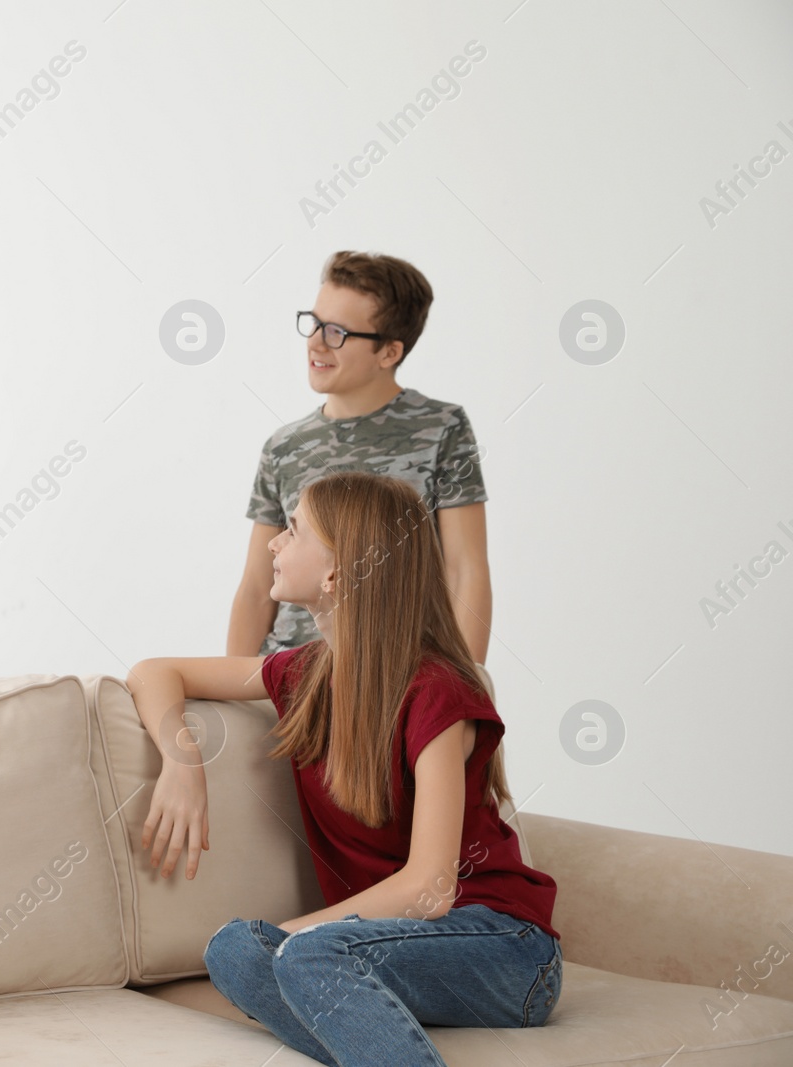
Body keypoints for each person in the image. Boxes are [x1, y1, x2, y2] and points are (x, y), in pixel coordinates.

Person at [128, 471, 559, 1065]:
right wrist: (182, 762)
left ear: (337, 571)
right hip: (374, 951)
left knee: (302, 954)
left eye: (296, 529)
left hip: (504, 950)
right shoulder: (304, 674)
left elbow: (430, 889)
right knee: (232, 950)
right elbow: (155, 671)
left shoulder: (439, 693)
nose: (275, 542)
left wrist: (298, 937)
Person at [228, 252, 491, 663]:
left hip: (395, 675)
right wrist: (235, 694)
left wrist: (465, 690)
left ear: (388, 353)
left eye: (337, 332)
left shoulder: (443, 428)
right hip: (288, 679)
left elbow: (465, 569)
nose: (315, 341)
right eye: (314, 323)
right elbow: (256, 588)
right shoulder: (283, 446)